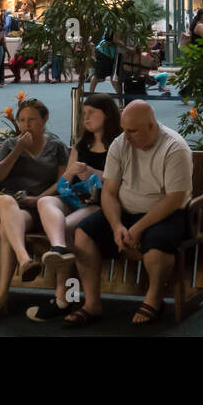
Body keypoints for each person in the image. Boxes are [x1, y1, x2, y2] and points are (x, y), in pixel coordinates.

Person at [65, 100, 192, 327]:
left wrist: (138, 228)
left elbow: (174, 199)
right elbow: (110, 192)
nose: (126, 137)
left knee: (156, 247)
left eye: (132, 131)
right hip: (124, 211)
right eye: (124, 130)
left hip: (165, 212)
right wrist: (116, 226)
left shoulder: (174, 147)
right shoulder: (120, 144)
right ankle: (92, 304)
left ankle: (154, 299)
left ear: (152, 126)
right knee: (83, 234)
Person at [26, 94, 122, 322]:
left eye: (91, 114)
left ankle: (62, 297)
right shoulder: (82, 144)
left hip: (101, 203)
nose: (85, 118)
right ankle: (59, 248)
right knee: (45, 202)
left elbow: (121, 182)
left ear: (107, 115)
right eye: (84, 114)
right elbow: (66, 181)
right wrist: (73, 172)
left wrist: (93, 173)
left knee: (67, 226)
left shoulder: (119, 145)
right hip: (76, 197)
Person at [0, 99, 70, 318]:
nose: (27, 125)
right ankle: (25, 260)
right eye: (22, 120)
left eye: (32, 120)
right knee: (7, 202)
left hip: (35, 209)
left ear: (44, 120)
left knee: (5, 230)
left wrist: (39, 199)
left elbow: (62, 182)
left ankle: (1, 299)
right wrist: (18, 149)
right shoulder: (11, 144)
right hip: (6, 202)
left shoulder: (57, 146)